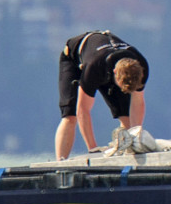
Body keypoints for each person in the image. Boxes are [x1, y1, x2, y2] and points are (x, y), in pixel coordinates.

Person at [54, 30, 149, 161]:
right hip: (75, 59)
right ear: (115, 73)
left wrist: (135, 137)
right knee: (70, 116)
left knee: (126, 119)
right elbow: (83, 109)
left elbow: (138, 102)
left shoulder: (141, 66)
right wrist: (93, 148)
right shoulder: (94, 67)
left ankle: (126, 153)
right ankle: (60, 162)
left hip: (109, 62)